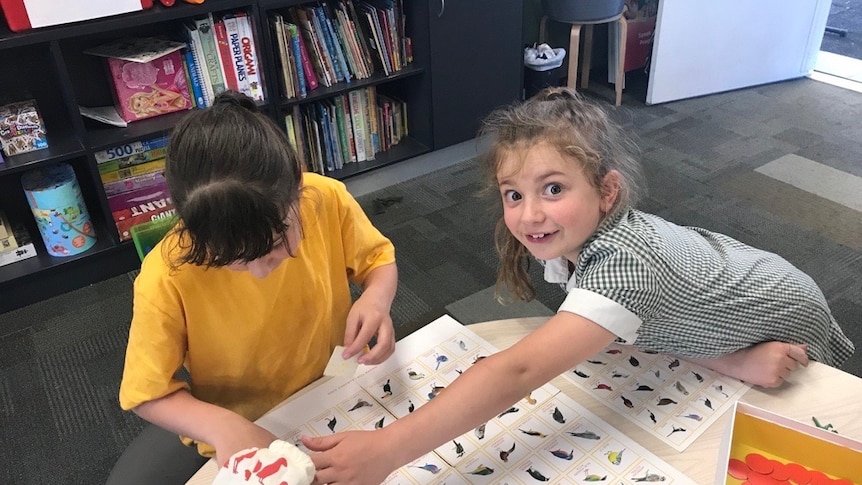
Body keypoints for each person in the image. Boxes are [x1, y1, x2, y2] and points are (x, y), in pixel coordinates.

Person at [303, 87, 854, 485]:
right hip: (722, 303)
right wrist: (731, 361)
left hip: (782, 313)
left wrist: (387, 448)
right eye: (513, 194)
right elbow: (637, 320)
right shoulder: (582, 240)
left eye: (553, 188)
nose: (530, 214)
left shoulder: (621, 266)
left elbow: (515, 370)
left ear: (607, 191)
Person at [107, 90, 398, 485]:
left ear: (297, 185)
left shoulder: (324, 198)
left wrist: (377, 299)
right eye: (233, 260)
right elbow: (146, 393)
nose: (262, 272)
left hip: (339, 388)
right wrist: (222, 427)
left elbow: (379, 260)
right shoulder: (165, 276)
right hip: (247, 425)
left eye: (277, 245)